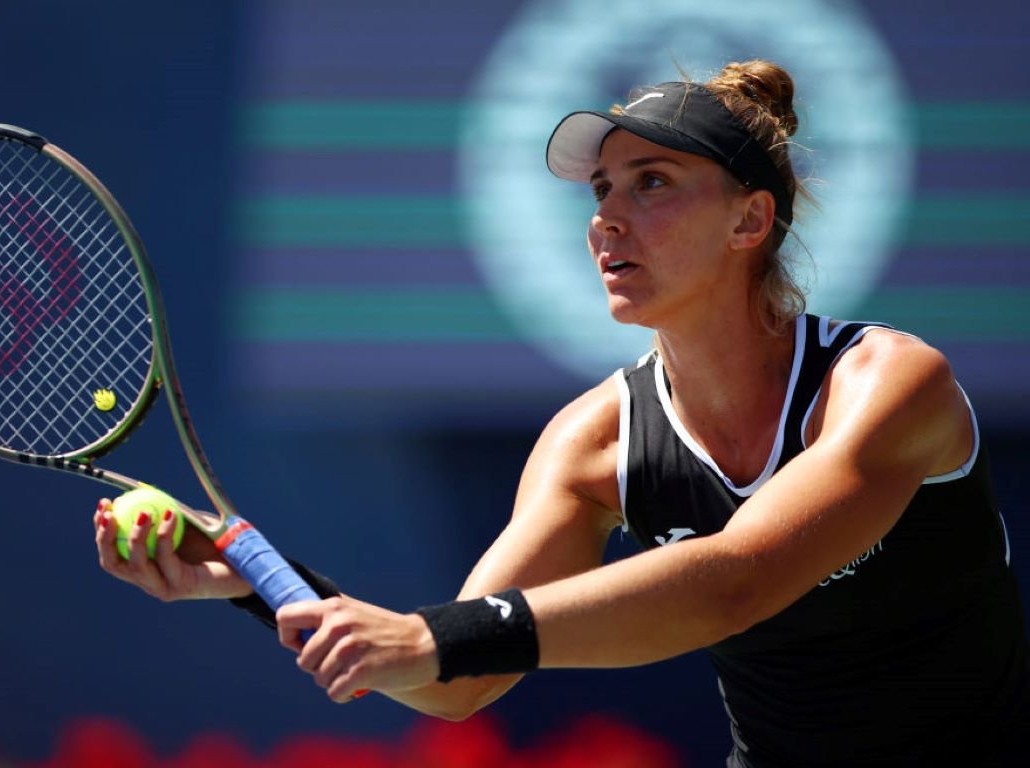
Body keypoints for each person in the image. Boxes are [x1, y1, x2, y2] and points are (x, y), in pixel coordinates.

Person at [94, 60, 1030, 766]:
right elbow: (460, 681)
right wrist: (249, 579)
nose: (606, 219)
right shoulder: (596, 441)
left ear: (751, 222)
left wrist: (431, 637)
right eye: (601, 190)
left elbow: (736, 580)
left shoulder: (889, 383)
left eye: (652, 182)